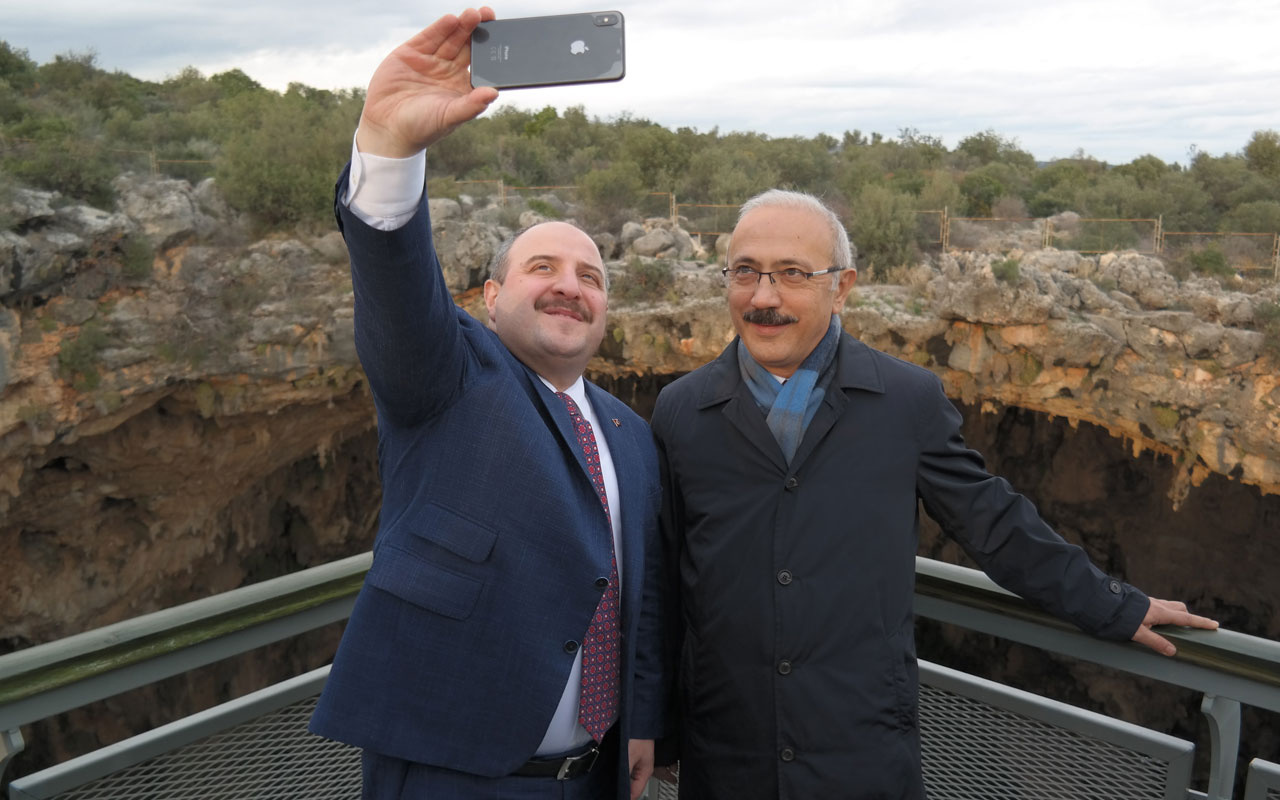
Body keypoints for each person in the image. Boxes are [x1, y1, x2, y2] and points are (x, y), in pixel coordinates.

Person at [647, 189, 1219, 799]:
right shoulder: (682, 411)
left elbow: (992, 523)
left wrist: (1113, 604)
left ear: (841, 287)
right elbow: (661, 582)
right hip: (728, 752)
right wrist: (655, 727)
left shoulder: (906, 402)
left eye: (792, 274)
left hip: (860, 750)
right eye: (745, 273)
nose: (764, 297)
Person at [308, 8, 664, 799]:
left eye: (592, 277)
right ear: (490, 295)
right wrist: (391, 147)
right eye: (544, 266)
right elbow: (401, 292)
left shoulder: (633, 436)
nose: (570, 285)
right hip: (454, 773)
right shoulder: (453, 374)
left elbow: (639, 594)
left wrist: (641, 720)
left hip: (596, 775)